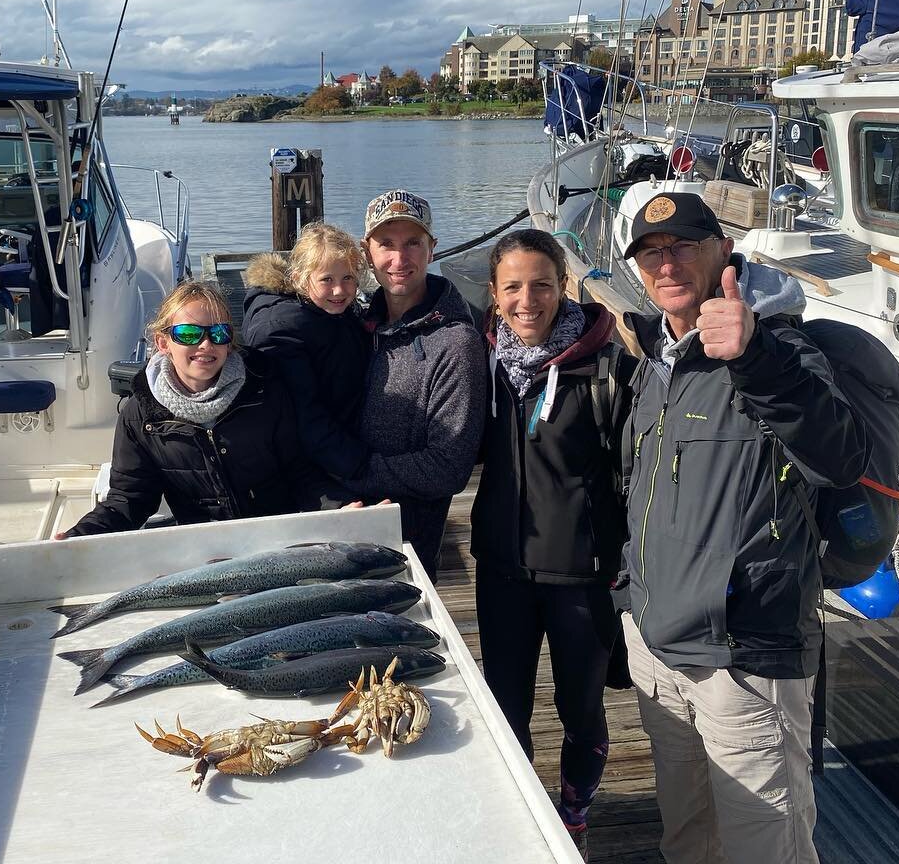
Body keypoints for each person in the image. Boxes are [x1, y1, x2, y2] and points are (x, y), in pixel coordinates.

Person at [619, 192, 866, 864]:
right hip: (658, 648)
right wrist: (629, 596)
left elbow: (840, 456)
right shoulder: (657, 358)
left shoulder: (779, 346)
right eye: (651, 253)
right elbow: (640, 488)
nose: (667, 264)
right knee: (688, 838)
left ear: (723, 252)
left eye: (684, 246)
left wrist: (756, 358)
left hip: (744, 661)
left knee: (769, 849)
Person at [471, 229, 634, 859]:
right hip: (502, 570)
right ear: (493, 294)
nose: (527, 300)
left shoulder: (603, 368)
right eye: (512, 287)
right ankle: (519, 817)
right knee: (506, 711)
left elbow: (634, 473)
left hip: (580, 575)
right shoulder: (482, 363)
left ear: (563, 286)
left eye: (542, 284)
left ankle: (573, 813)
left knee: (581, 709)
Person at [60, 279, 332, 537]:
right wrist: (81, 536)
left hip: (275, 533)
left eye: (218, 333)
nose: (206, 344)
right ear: (163, 343)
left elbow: (301, 471)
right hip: (202, 545)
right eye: (189, 334)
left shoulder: (264, 391)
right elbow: (129, 498)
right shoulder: (141, 414)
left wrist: (337, 509)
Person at [341, 190, 486, 581]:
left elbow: (448, 468)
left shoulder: (456, 344)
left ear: (432, 249)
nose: (399, 259)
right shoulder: (352, 325)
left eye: (413, 244)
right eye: (386, 244)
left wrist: (349, 473)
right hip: (335, 527)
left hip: (403, 553)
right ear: (366, 251)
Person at [241, 223, 369, 480]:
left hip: (343, 442)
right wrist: (361, 465)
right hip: (318, 468)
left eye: (348, 278)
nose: (339, 290)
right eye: (326, 280)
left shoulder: (334, 313)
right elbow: (303, 417)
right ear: (299, 278)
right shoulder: (280, 331)